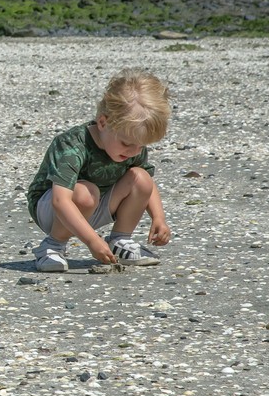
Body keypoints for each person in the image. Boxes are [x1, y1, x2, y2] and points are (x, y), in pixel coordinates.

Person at [24, 69, 172, 272]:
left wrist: (159, 218)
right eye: (127, 143)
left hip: (96, 205)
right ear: (103, 122)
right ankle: (52, 246)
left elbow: (147, 184)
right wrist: (92, 241)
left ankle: (121, 241)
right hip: (52, 209)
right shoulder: (73, 144)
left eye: (141, 146)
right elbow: (60, 200)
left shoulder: (132, 146)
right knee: (86, 193)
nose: (134, 151)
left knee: (142, 177)